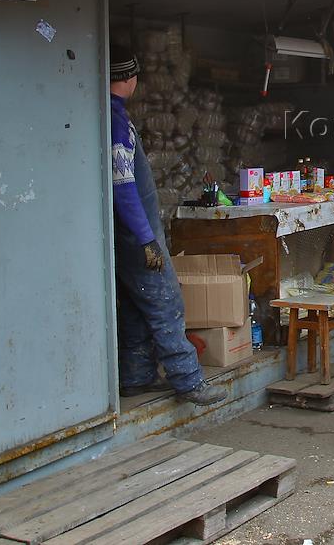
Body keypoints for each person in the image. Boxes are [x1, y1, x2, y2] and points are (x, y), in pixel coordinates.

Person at [109, 46, 226, 406]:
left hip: (123, 233)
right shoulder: (115, 122)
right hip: (136, 233)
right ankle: (189, 381)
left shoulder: (106, 114)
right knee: (166, 302)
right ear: (129, 78)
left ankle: (136, 376)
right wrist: (146, 239)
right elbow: (123, 186)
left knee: (134, 306)